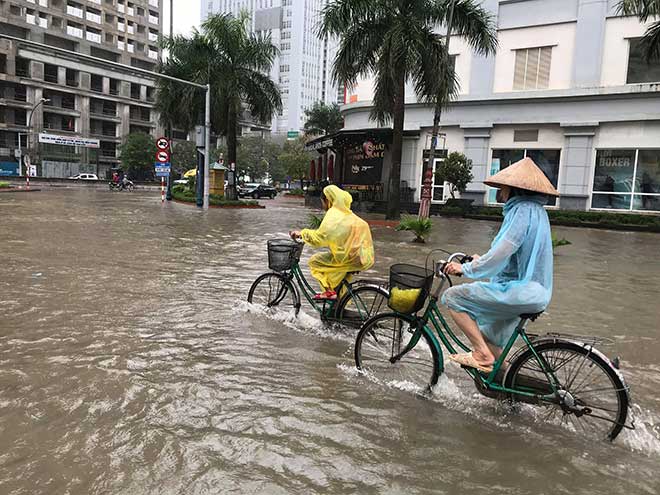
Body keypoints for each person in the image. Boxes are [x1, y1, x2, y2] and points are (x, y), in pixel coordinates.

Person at [441, 157, 558, 373]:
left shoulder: (521, 210)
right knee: (486, 337)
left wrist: (465, 269)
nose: (501, 191)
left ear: (514, 188)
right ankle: (508, 386)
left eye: (503, 186)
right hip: (532, 292)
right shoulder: (537, 211)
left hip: (522, 292)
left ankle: (482, 356)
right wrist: (480, 260)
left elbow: (503, 250)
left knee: (452, 297)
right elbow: (513, 258)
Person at [290, 184, 374, 300]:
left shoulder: (334, 214)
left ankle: (329, 291)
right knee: (336, 274)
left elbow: (320, 238)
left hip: (350, 257)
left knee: (314, 262)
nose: (323, 206)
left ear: (327, 200)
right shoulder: (347, 214)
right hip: (363, 256)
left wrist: (302, 233)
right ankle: (338, 307)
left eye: (322, 202)